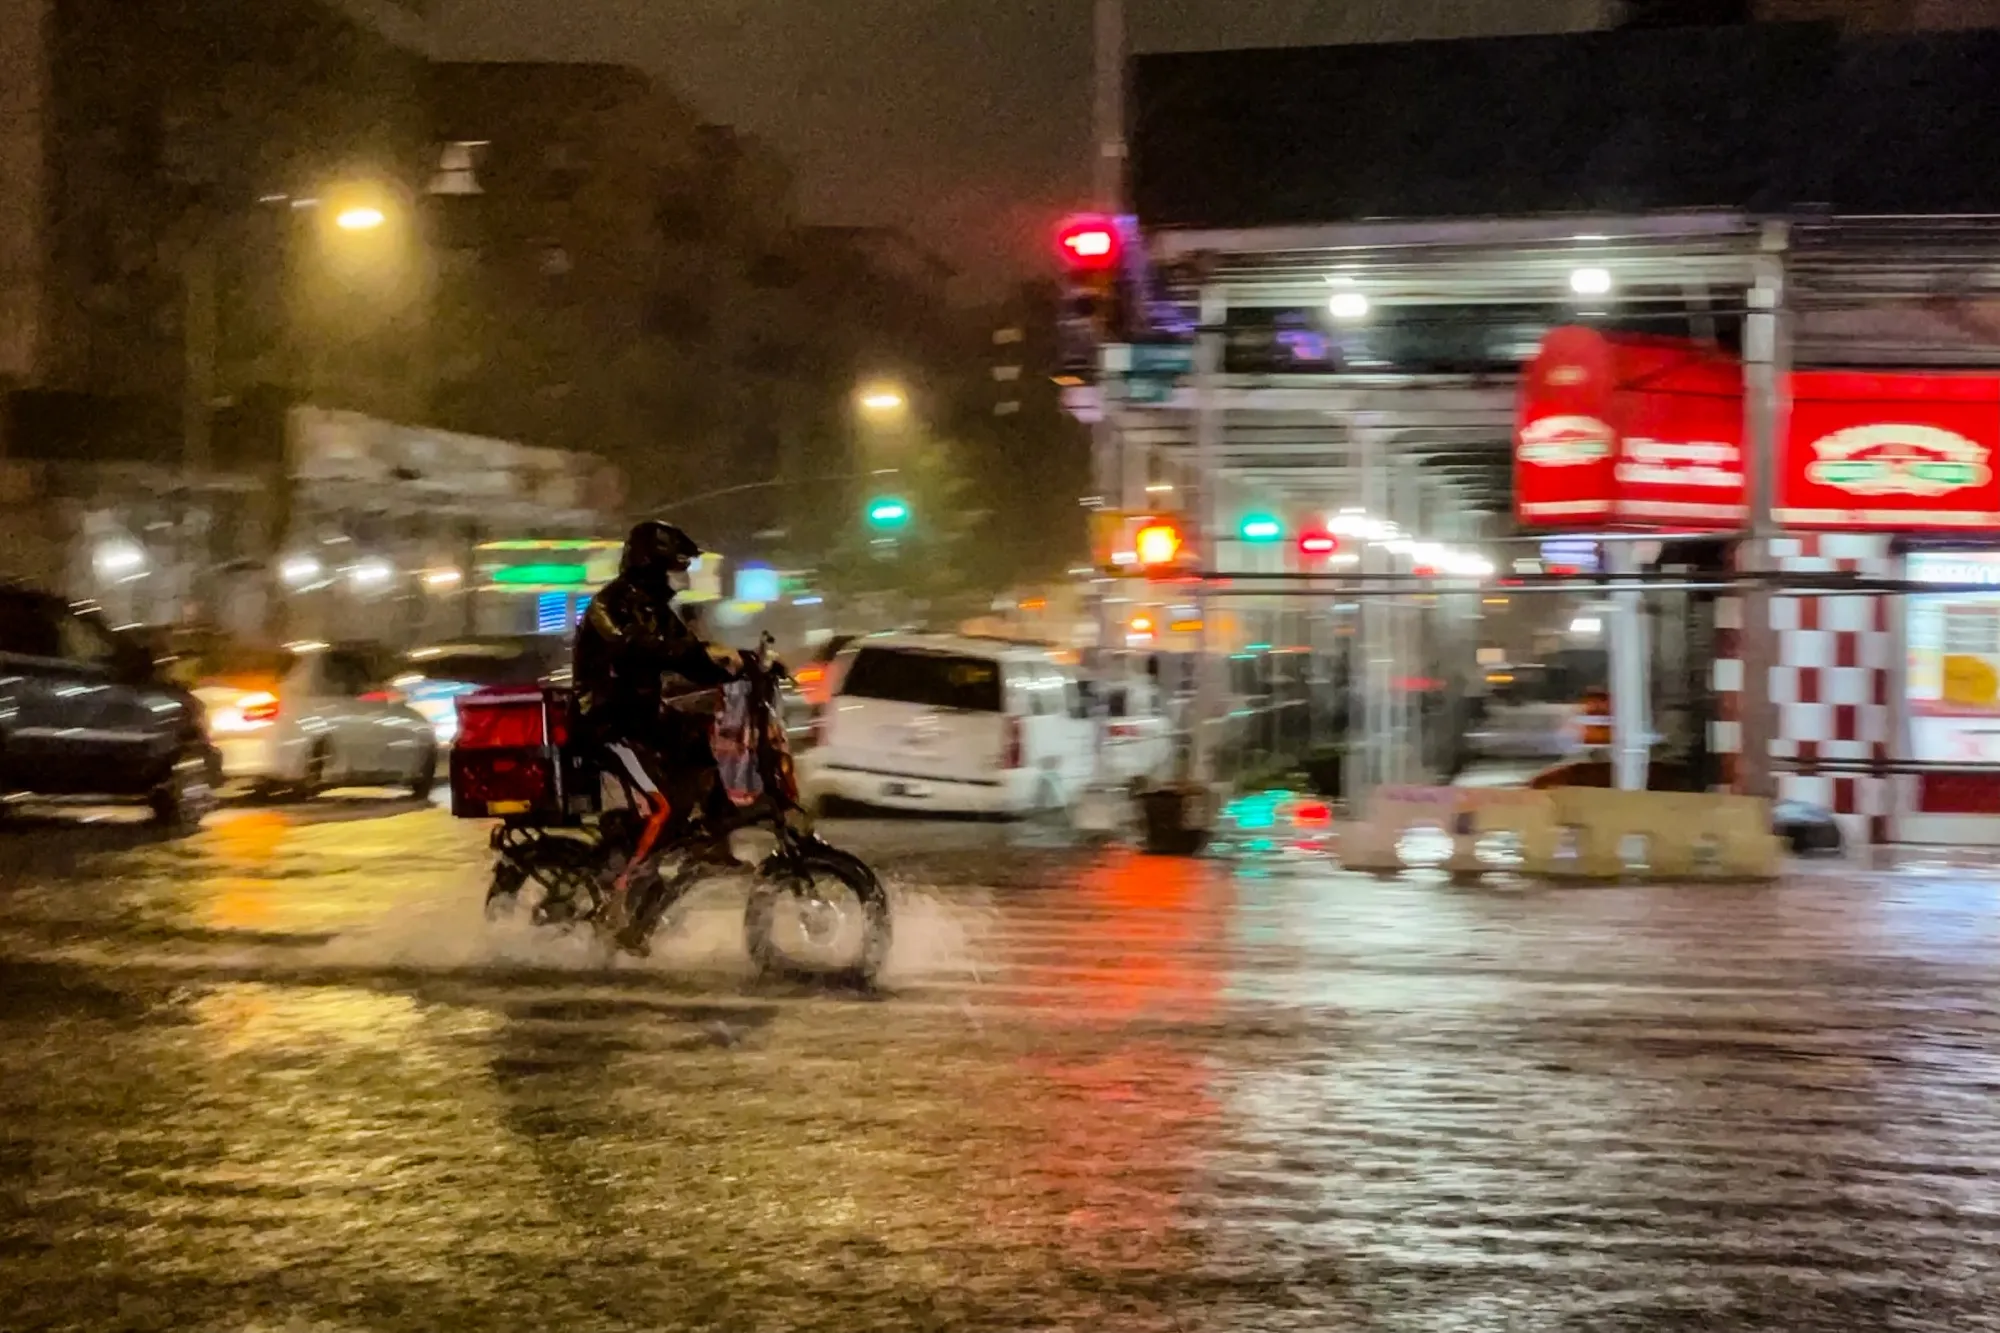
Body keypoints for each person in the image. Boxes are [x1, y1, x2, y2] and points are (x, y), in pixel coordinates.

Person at [571, 520, 740, 933]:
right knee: (661, 807)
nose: (681, 578)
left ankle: (713, 841)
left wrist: (743, 667)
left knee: (702, 741)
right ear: (651, 564)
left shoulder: (656, 607)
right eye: (675, 567)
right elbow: (632, 646)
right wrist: (683, 654)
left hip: (641, 715)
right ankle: (619, 895)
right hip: (606, 723)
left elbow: (692, 655)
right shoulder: (607, 605)